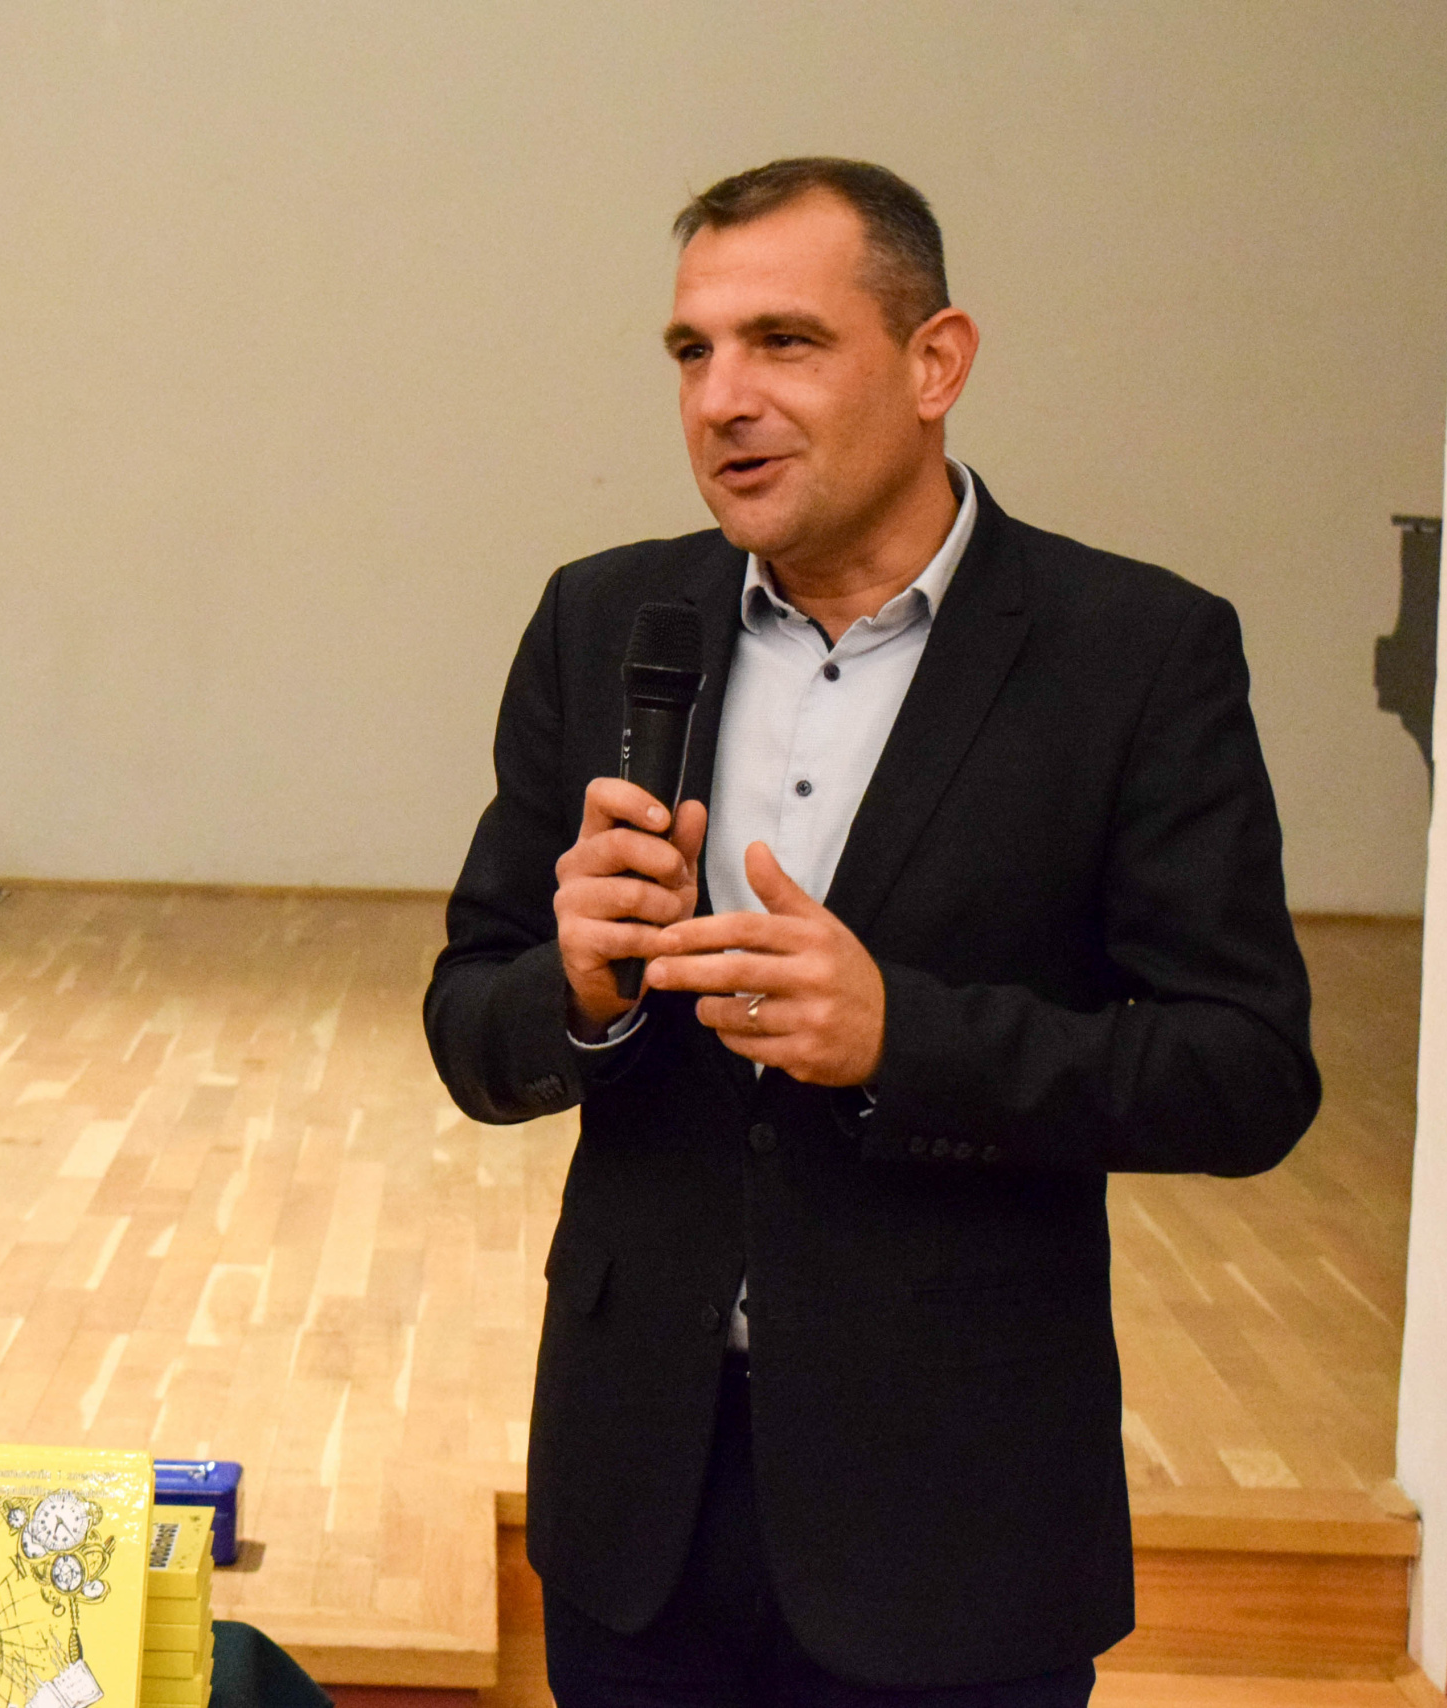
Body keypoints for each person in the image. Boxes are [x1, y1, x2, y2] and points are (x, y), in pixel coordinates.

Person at [424, 158, 1318, 1705]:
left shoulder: (1134, 654)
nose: (724, 398)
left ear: (935, 362)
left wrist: (907, 1040)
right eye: (693, 351)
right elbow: (467, 1018)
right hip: (638, 1511)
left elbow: (1245, 1074)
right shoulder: (604, 620)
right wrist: (576, 994)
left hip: (953, 1522)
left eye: (785, 341)